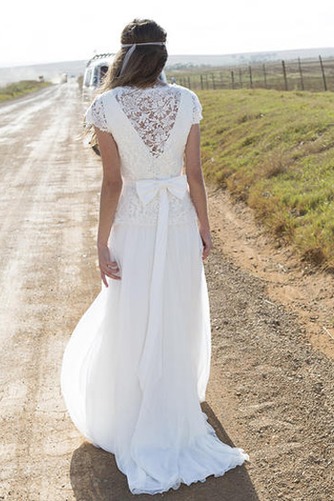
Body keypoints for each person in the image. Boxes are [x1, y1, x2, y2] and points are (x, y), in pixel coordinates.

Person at [61, 18, 249, 495]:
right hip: (180, 222)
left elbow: (113, 182)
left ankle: (132, 410)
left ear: (123, 55)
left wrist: (101, 242)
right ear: (162, 55)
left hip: (136, 225)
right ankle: (172, 406)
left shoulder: (106, 105)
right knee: (174, 310)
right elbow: (195, 175)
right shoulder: (186, 100)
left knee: (132, 310)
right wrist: (205, 227)